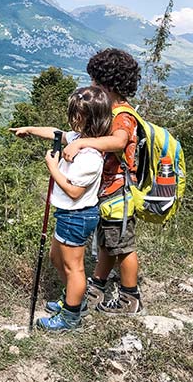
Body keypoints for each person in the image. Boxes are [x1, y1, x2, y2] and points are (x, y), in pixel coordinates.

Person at [10, 86, 113, 331]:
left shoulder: (89, 155)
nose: (73, 118)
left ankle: (71, 317)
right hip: (69, 214)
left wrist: (52, 167)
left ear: (91, 118)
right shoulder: (79, 139)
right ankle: (73, 301)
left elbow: (74, 191)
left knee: (73, 267)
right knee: (56, 258)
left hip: (77, 215)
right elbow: (57, 133)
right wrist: (30, 130)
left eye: (77, 114)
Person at [61, 48, 144, 315]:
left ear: (109, 84)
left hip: (120, 193)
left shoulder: (123, 115)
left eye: (96, 82)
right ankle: (97, 284)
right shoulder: (113, 110)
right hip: (108, 193)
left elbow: (119, 141)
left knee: (123, 247)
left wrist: (83, 142)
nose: (93, 87)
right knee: (108, 243)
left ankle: (130, 298)